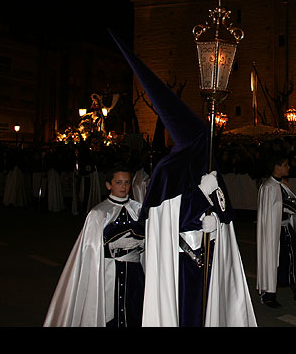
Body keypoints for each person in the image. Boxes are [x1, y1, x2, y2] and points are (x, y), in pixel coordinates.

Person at [110, 30, 256, 327]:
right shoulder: (168, 169)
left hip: (210, 249)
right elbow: (163, 216)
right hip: (180, 256)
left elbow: (224, 207)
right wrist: (198, 200)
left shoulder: (207, 165)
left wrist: (218, 216)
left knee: (206, 311)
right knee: (185, 311)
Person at [44, 165, 146, 327]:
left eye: (126, 182)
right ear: (108, 185)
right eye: (118, 182)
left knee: (134, 308)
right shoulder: (99, 213)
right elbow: (91, 248)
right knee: (109, 310)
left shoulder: (138, 209)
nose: (123, 186)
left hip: (133, 271)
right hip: (108, 271)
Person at [257, 152, 296, 307]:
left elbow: (288, 203)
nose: (288, 167)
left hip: (286, 229)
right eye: (285, 164)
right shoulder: (268, 187)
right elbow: (274, 209)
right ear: (277, 167)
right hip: (273, 232)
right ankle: (269, 294)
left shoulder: (282, 185)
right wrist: (293, 206)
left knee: (293, 259)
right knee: (274, 259)